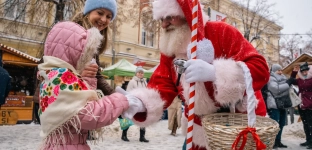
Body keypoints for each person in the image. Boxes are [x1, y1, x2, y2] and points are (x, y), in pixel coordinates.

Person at [114, 0, 270, 149]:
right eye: (161, 19)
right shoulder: (170, 48)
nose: (163, 24)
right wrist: (140, 102)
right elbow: (163, 85)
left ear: (186, 13)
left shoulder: (222, 31)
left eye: (169, 17)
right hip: (198, 130)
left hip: (237, 125)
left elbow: (260, 69)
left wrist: (215, 73)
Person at [37, 0, 145, 149]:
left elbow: (96, 75)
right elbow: (55, 66)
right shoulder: (74, 36)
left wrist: (118, 98)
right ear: (88, 12)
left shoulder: (92, 39)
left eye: (109, 16)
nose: (104, 20)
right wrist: (121, 101)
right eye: (100, 13)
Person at [121, 67, 149, 142]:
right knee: (129, 118)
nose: (140, 74)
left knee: (143, 119)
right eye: (139, 72)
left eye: (142, 72)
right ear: (136, 73)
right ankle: (124, 135)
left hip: (143, 103)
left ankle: (142, 136)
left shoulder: (145, 82)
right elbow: (129, 92)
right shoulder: (132, 82)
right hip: (134, 103)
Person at [266, 64, 290, 148]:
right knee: (275, 124)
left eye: (281, 70)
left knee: (281, 124)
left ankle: (278, 141)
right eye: (278, 70)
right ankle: (272, 142)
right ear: (274, 71)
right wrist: (287, 85)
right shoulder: (271, 78)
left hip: (282, 104)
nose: (280, 72)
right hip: (274, 104)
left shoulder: (283, 78)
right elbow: (275, 89)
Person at [289, 62, 312, 148]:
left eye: (306, 71)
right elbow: (290, 80)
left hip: (310, 105)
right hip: (301, 105)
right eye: (303, 71)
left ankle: (311, 142)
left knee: (310, 124)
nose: (304, 73)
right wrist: (294, 72)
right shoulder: (300, 80)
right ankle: (308, 140)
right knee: (305, 124)